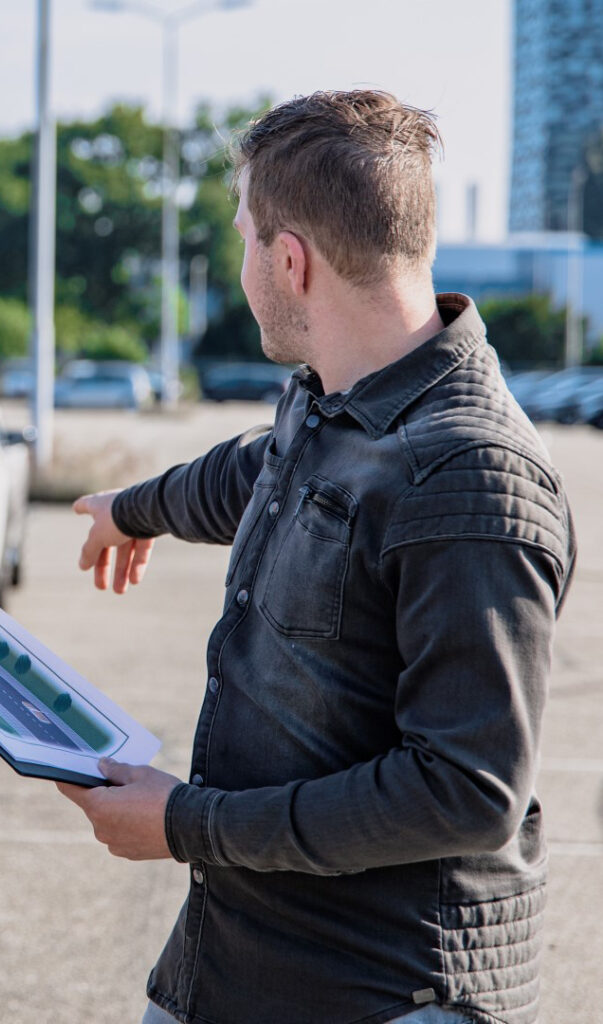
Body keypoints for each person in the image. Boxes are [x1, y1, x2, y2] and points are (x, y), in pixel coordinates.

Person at [56, 90, 576, 1024]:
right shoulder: (335, 399)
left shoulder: (470, 478)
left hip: (382, 992)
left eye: (244, 233)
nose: (242, 257)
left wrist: (184, 824)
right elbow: (258, 469)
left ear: (287, 260)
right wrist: (135, 508)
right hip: (240, 966)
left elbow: (464, 790)